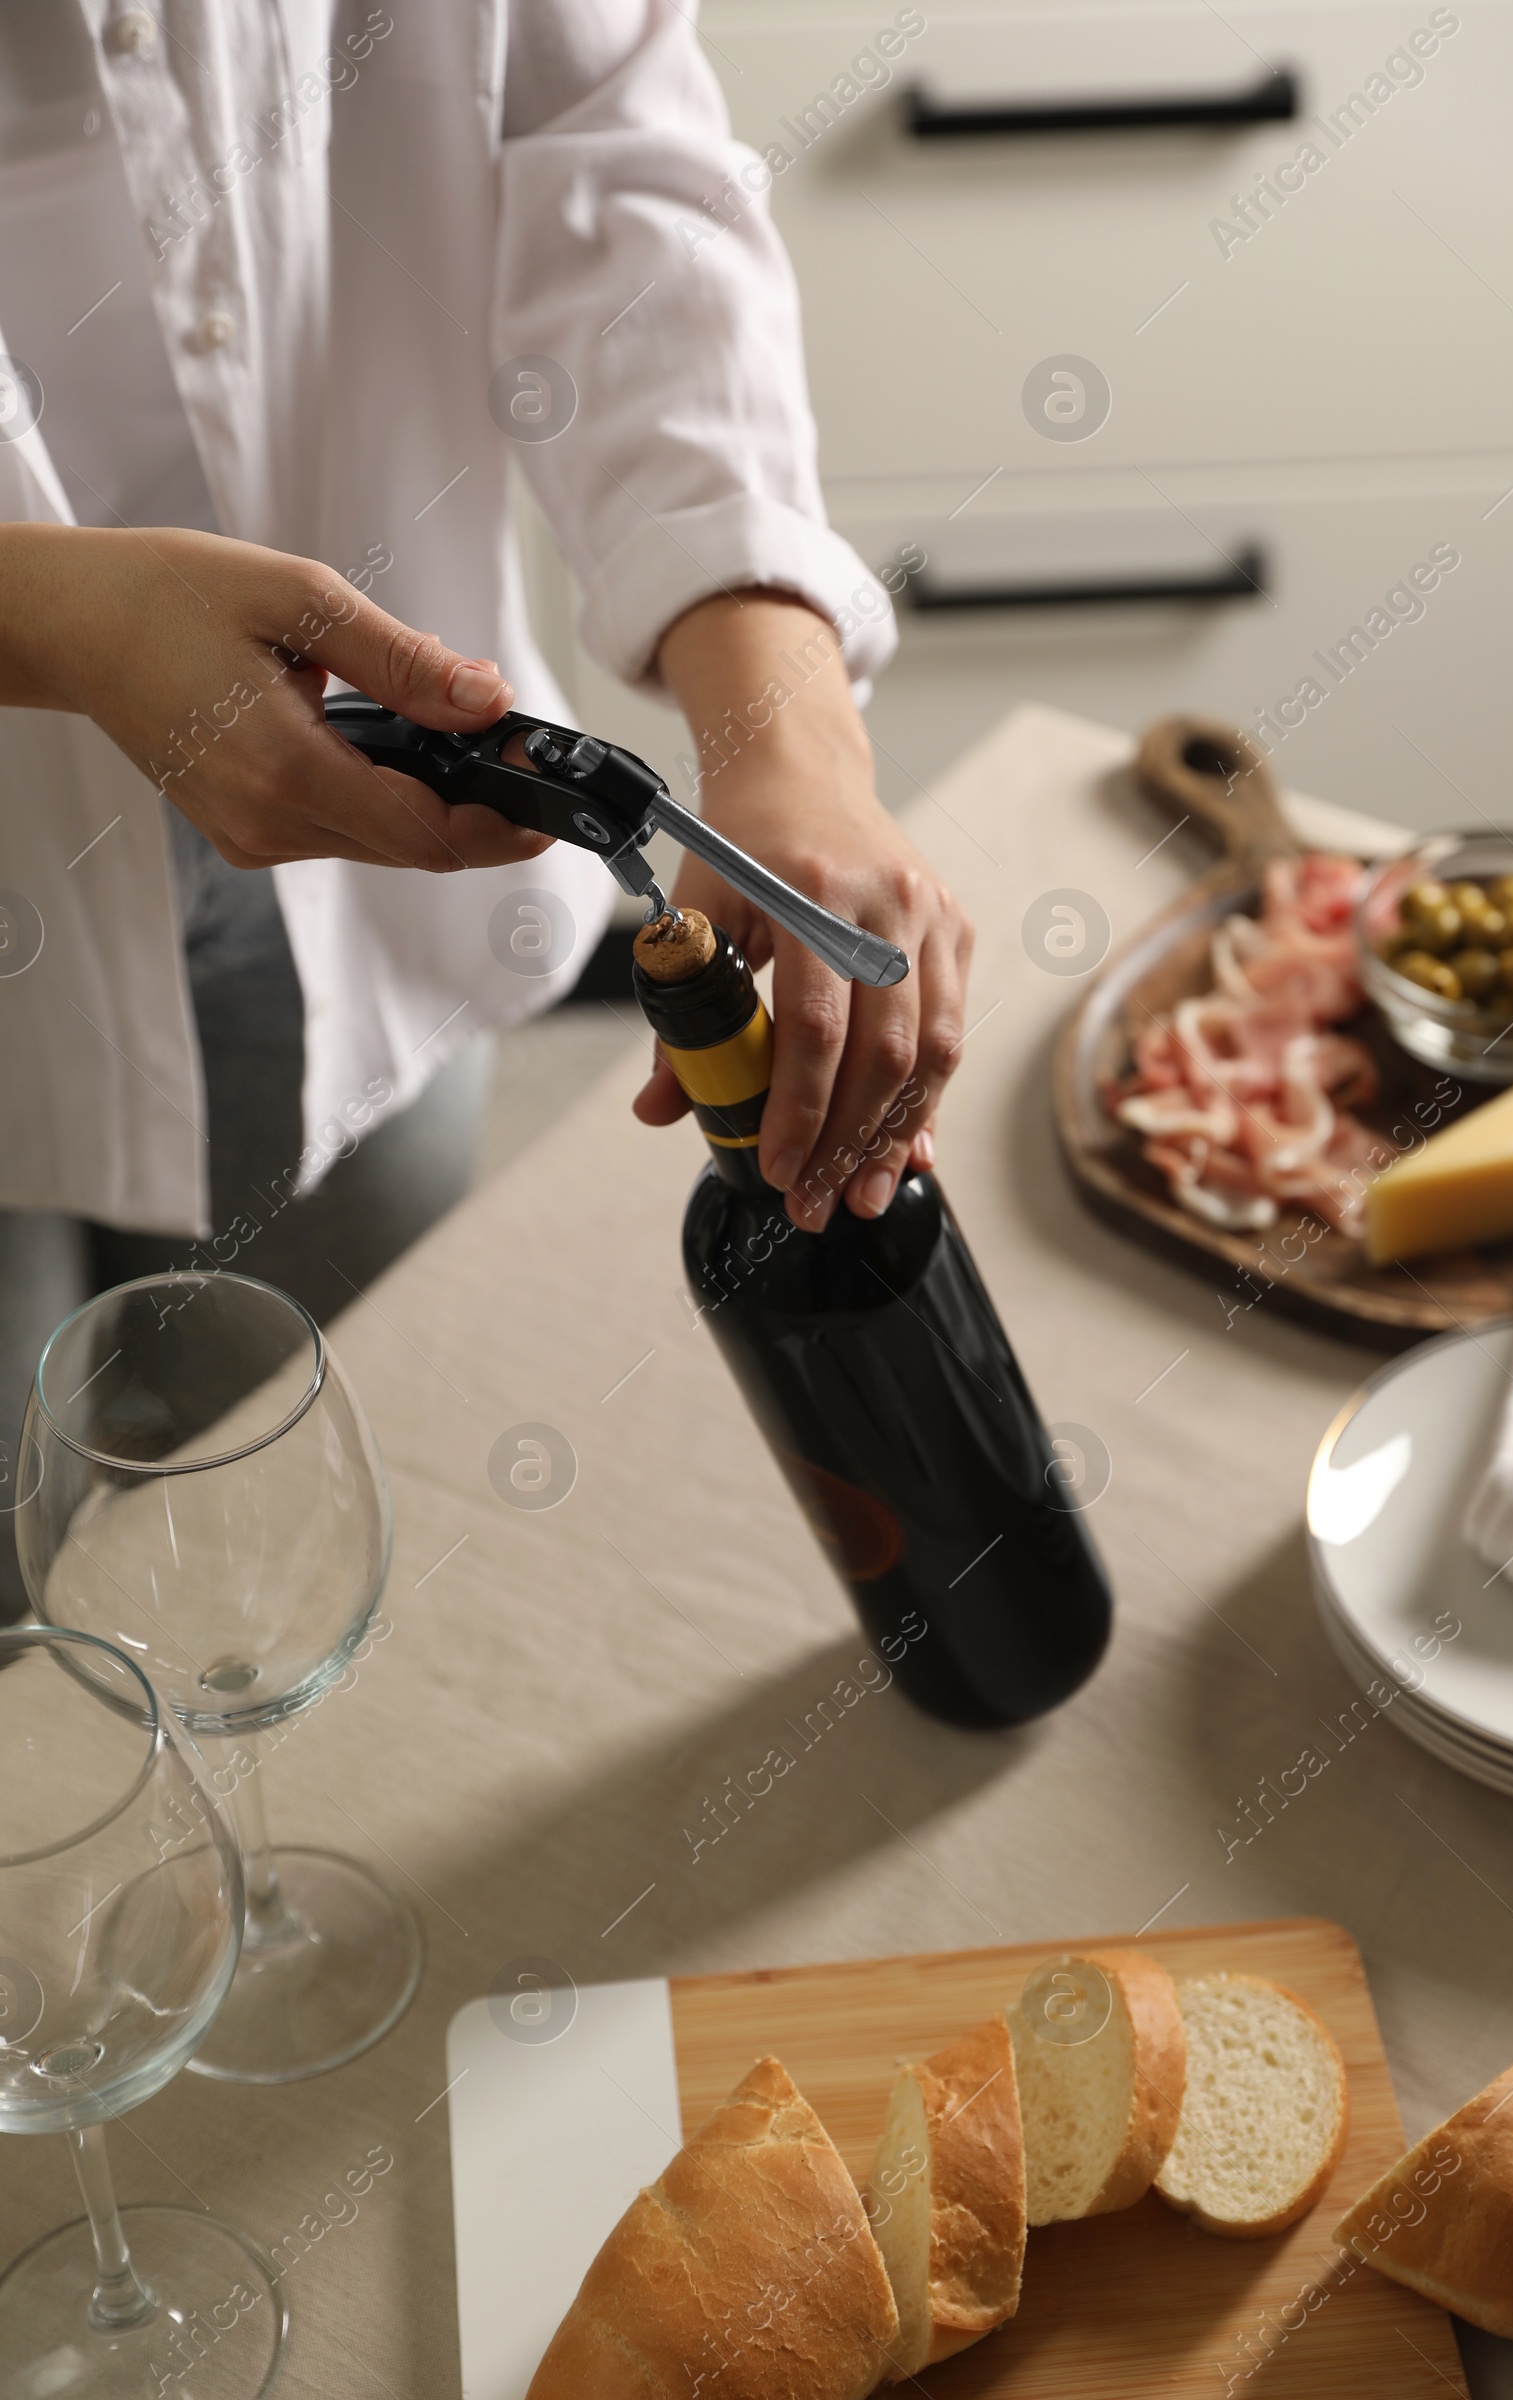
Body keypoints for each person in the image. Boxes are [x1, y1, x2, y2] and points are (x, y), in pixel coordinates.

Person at [0, 2, 971, 1614]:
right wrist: (43, 620)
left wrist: (785, 725)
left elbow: (609, 142)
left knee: (305, 1458)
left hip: (362, 841)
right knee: (24, 1583)